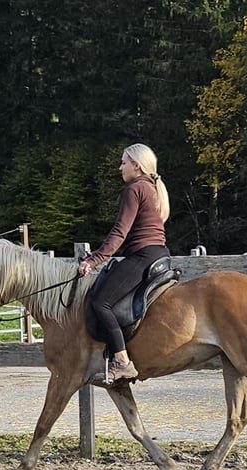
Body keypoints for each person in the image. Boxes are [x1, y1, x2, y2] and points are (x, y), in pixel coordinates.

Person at [78, 143, 170, 383]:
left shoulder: (134, 189)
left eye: (124, 162)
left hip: (142, 255)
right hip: (158, 253)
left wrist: (94, 259)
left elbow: (119, 233)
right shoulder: (151, 188)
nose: (121, 167)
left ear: (136, 166)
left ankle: (121, 361)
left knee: (100, 303)